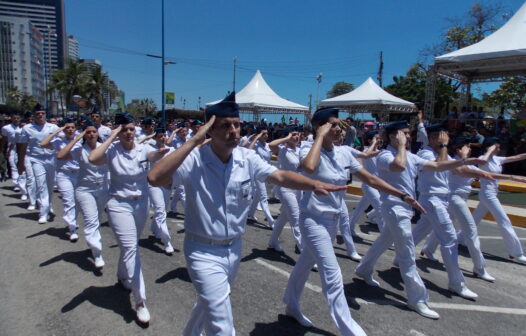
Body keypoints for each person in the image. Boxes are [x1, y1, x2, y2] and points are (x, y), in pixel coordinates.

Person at [147, 92, 346, 336]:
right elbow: (155, 178)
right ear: (209, 131)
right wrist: (193, 141)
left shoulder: (246, 157)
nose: (233, 130)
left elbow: (279, 176)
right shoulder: (194, 159)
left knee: (208, 303)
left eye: (237, 124)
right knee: (222, 323)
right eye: (224, 126)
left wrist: (312, 184)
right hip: (202, 251)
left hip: (234, 249)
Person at [283, 109, 427, 335]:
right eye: (332, 124)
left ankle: (291, 304)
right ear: (320, 127)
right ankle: (351, 330)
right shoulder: (308, 149)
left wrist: (402, 195)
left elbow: (370, 179)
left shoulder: (344, 153)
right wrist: (318, 137)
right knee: (332, 274)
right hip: (313, 220)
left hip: (331, 221)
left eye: (339, 124)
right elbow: (309, 168)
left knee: (303, 264)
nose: (338, 128)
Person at [355, 121, 486, 320]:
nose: (409, 137)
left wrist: (463, 162)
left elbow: (436, 165)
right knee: (407, 252)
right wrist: (399, 146)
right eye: (405, 134)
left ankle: (364, 268)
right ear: (393, 136)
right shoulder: (385, 155)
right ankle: (417, 298)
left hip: (406, 208)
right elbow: (398, 167)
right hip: (393, 208)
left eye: (409, 134)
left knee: (384, 240)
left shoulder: (411, 155)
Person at [88, 113, 169, 324]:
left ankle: (123, 276)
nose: (129, 133)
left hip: (141, 203)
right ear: (117, 131)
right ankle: (140, 300)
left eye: (132, 129)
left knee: (129, 247)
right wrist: (110, 137)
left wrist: (160, 153)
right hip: (118, 204)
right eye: (124, 129)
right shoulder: (112, 150)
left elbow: (153, 156)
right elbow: (93, 158)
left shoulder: (143, 149)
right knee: (132, 248)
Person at [409, 124, 485, 301]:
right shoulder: (425, 153)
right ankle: (456, 283)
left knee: (420, 231)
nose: (446, 140)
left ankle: (400, 256)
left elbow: (455, 168)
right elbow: (441, 165)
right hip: (432, 199)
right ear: (434, 137)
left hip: (442, 198)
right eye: (442, 136)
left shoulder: (444, 153)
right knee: (449, 239)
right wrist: (444, 147)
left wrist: (466, 160)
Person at [419, 137, 499, 281]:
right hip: (454, 198)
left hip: (457, 198)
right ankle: (479, 268)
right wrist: (479, 171)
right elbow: (463, 171)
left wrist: (512, 177)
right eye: (467, 146)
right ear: (458, 149)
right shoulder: (452, 159)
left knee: (433, 227)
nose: (470, 148)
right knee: (470, 230)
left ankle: (428, 249)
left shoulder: (464, 161)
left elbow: (483, 171)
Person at [57, 121, 109, 267]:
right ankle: (97, 254)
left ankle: (93, 244)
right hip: (85, 190)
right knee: (91, 220)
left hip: (103, 188)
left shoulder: (105, 148)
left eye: (93, 131)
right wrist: (76, 138)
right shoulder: (79, 150)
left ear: (97, 133)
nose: (91, 134)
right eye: (88, 132)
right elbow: (60, 156)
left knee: (97, 218)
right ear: (83, 134)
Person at [470, 137, 526, 262]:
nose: (499, 148)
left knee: (473, 220)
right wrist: (489, 150)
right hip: (487, 193)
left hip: (493, 193)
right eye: (497, 146)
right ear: (490, 147)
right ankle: (516, 252)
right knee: (504, 220)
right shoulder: (482, 159)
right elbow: (483, 161)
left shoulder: (496, 159)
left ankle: (461, 238)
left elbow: (516, 157)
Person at [16, 104, 59, 224]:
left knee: (50, 185)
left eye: (42, 113)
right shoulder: (27, 128)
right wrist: (20, 163)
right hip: (36, 159)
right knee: (41, 184)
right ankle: (43, 212)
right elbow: (23, 146)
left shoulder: (53, 127)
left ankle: (48, 205)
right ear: (34, 116)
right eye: (37, 114)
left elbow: (61, 143)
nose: (40, 115)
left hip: (51, 158)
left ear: (45, 115)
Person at [40, 118, 80, 241]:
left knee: (77, 202)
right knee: (69, 201)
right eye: (67, 127)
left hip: (79, 174)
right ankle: (72, 229)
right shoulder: (58, 141)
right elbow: (43, 144)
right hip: (64, 175)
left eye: (72, 127)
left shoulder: (80, 140)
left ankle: (72, 220)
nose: (70, 129)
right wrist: (57, 131)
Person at [267, 126, 303, 252]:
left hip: (299, 189)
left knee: (284, 217)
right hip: (285, 188)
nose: (297, 136)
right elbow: (271, 145)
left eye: (298, 134)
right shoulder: (282, 150)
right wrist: (287, 138)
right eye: (294, 134)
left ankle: (272, 241)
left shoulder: (300, 150)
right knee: (296, 218)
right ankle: (305, 250)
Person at [347, 130, 384, 234]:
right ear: (370, 140)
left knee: (359, 209)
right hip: (369, 185)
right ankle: (385, 236)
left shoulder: (380, 152)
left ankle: (350, 226)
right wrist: (373, 144)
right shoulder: (367, 150)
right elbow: (367, 154)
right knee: (380, 209)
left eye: (379, 138)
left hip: (377, 185)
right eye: (376, 138)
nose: (379, 140)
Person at [147, 127, 175, 255]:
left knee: (162, 209)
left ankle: (155, 229)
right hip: (153, 184)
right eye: (159, 136)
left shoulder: (172, 150)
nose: (162, 138)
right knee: (159, 210)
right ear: (154, 137)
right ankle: (167, 242)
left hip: (167, 184)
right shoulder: (149, 149)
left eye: (164, 135)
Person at [247, 127, 276, 227]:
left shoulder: (268, 146)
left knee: (257, 195)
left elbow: (268, 161)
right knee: (263, 197)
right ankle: (271, 220)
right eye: (264, 134)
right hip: (257, 174)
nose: (266, 136)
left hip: (266, 173)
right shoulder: (255, 146)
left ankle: (250, 213)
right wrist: (257, 136)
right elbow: (248, 150)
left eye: (267, 134)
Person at [1, 113, 21, 189]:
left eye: (18, 118)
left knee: (21, 166)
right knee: (13, 165)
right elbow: (4, 139)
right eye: (14, 118)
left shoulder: (24, 127)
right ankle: (16, 184)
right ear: (11, 119)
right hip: (12, 149)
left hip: (23, 148)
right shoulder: (6, 128)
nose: (16, 119)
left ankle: (22, 182)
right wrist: (2, 149)